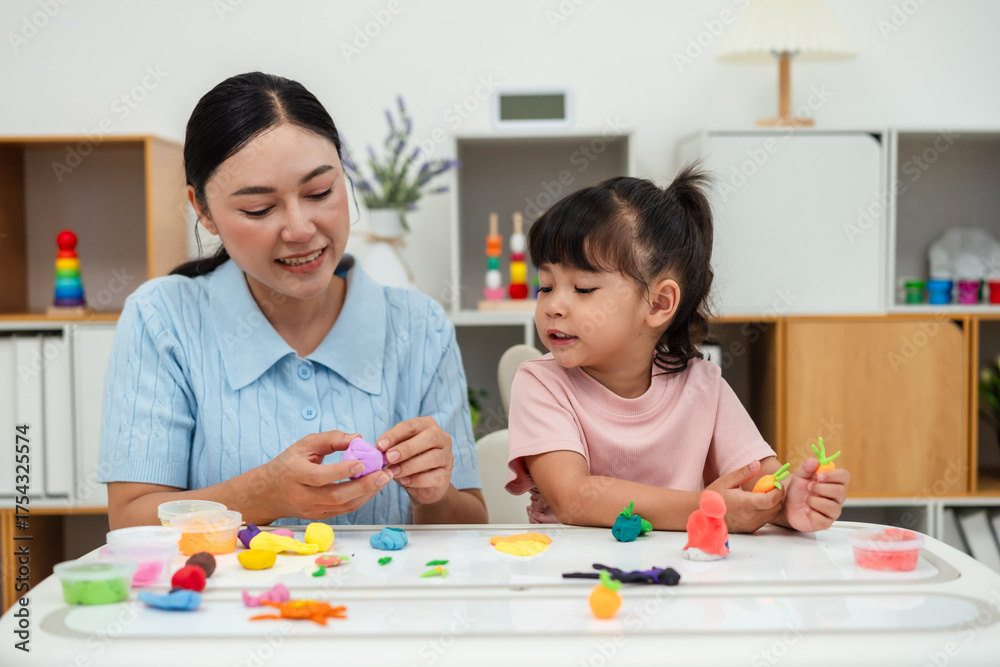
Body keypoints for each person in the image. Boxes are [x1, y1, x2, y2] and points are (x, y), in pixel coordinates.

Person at [99, 72, 487, 529]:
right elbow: (131, 521)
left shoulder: (419, 326)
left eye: (321, 192)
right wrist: (262, 495)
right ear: (202, 210)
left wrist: (433, 494)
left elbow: (469, 525)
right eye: (259, 209)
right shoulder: (163, 319)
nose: (301, 228)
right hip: (226, 602)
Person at [505, 167, 849, 532]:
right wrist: (705, 508)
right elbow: (575, 499)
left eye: (583, 288)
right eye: (545, 286)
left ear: (658, 304)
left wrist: (786, 503)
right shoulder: (540, 383)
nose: (553, 306)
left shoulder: (704, 387)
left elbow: (755, 482)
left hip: (680, 575)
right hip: (569, 577)